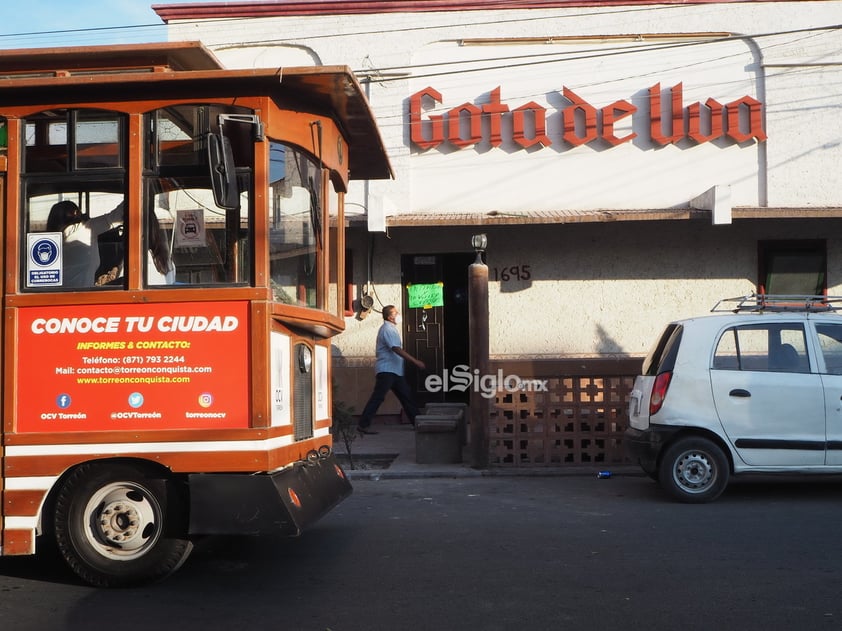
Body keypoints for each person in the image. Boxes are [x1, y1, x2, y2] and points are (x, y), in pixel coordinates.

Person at [357, 305, 426, 435]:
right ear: (390, 317)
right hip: (387, 370)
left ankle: (418, 423)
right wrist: (415, 361)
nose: (398, 314)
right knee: (378, 397)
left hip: (394, 371)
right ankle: (363, 424)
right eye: (395, 312)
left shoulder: (391, 329)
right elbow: (396, 348)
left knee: (406, 396)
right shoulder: (387, 329)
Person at [47, 199, 124, 288]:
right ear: (76, 213)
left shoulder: (47, 242)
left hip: (52, 296)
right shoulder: (86, 228)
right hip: (81, 295)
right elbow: (118, 215)